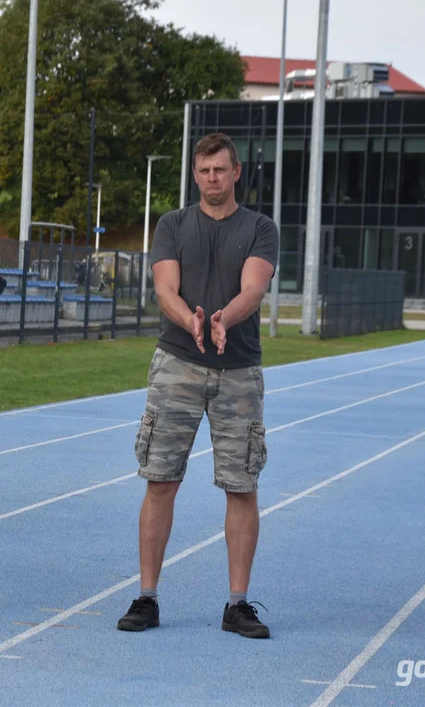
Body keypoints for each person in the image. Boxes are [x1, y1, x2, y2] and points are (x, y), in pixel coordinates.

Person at [116, 133, 278, 638]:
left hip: (239, 371)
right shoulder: (172, 225)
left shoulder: (260, 228)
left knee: (241, 485)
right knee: (160, 480)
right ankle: (147, 597)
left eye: (221, 170)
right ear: (195, 174)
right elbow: (164, 287)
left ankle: (238, 604)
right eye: (204, 170)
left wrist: (223, 319)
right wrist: (192, 321)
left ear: (237, 173)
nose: (213, 178)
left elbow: (254, 287)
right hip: (177, 367)